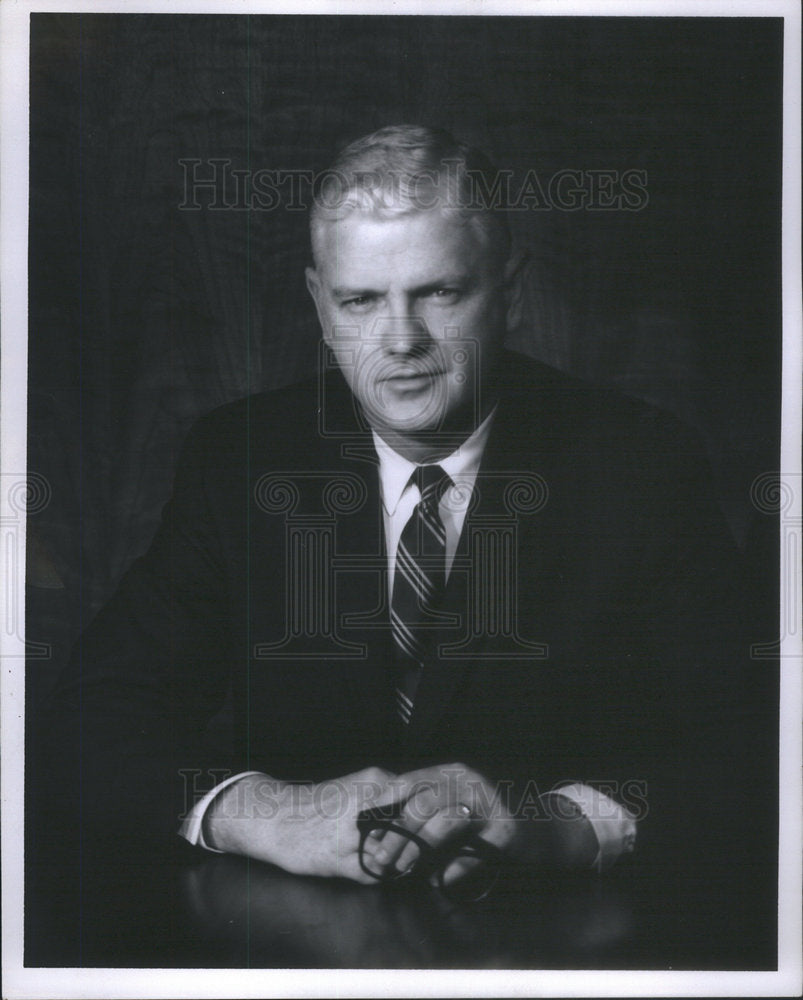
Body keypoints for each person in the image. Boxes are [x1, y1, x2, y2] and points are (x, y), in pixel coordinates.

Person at [42, 125, 763, 895]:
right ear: (319, 305)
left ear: (511, 292)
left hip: (556, 944)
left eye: (439, 293)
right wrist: (267, 812)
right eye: (360, 300)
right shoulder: (240, 459)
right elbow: (90, 716)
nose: (400, 340)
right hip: (290, 946)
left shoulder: (640, 464)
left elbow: (758, 742)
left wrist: (559, 827)